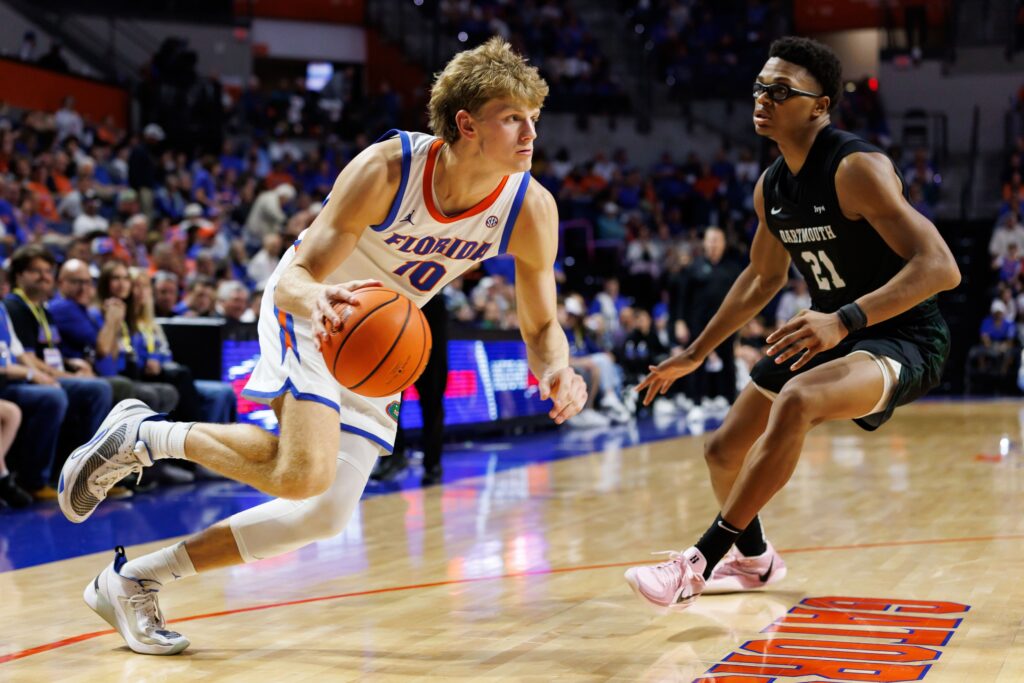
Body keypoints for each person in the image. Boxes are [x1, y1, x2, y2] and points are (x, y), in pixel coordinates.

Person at [59, 37, 587, 655]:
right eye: (512, 119)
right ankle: (146, 437)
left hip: (382, 339)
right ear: (466, 124)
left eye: (533, 119)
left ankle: (133, 581)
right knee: (303, 472)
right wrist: (319, 305)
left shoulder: (530, 207)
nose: (530, 134)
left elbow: (541, 325)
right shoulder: (389, 169)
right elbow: (293, 278)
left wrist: (558, 370)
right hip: (315, 307)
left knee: (323, 514)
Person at [624, 37, 960, 612]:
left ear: (819, 106)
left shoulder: (856, 169)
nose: (763, 98)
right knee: (723, 451)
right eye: (760, 86)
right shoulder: (771, 187)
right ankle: (754, 560)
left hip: (903, 335)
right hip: (830, 331)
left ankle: (697, 562)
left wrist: (845, 318)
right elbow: (761, 278)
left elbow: (941, 267)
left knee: (798, 399)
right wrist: (697, 352)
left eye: (780, 91)